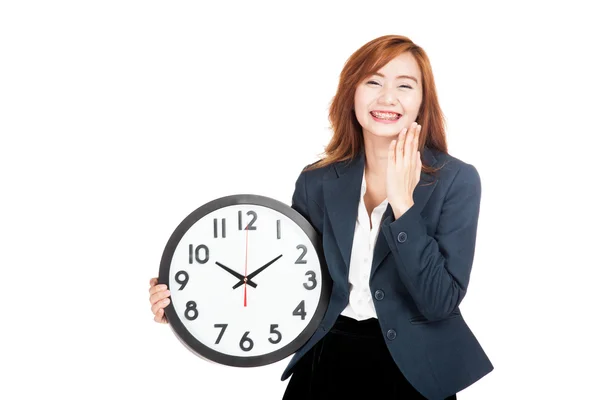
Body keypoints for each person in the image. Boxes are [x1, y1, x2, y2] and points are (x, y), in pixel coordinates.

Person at [149, 34, 494, 400]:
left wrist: (404, 205)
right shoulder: (317, 181)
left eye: (405, 86)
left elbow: (440, 301)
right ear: (352, 93)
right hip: (325, 361)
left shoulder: (456, 180)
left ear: (423, 101)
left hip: (417, 372)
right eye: (373, 81)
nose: (387, 97)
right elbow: (283, 278)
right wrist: (188, 305)